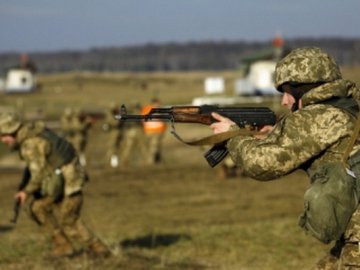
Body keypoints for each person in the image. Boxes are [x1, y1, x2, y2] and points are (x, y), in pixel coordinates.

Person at [210, 47, 360, 269]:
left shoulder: (318, 116)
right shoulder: (347, 106)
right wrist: (274, 135)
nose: (284, 101)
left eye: (288, 91)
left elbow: (261, 164)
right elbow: (327, 149)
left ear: (305, 88)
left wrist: (232, 136)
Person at [0, 112, 110, 258]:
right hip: (65, 180)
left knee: (68, 221)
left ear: (11, 131)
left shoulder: (30, 144)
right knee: (37, 208)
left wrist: (25, 192)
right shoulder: (34, 132)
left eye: (3, 136)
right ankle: (63, 245)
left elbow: (38, 174)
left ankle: (98, 249)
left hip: (69, 183)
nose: (3, 141)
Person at [141, 98, 167, 165]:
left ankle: (156, 161)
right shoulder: (156, 110)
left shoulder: (146, 109)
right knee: (153, 147)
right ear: (154, 103)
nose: (159, 104)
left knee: (154, 147)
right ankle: (150, 162)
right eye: (158, 103)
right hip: (154, 131)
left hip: (152, 131)